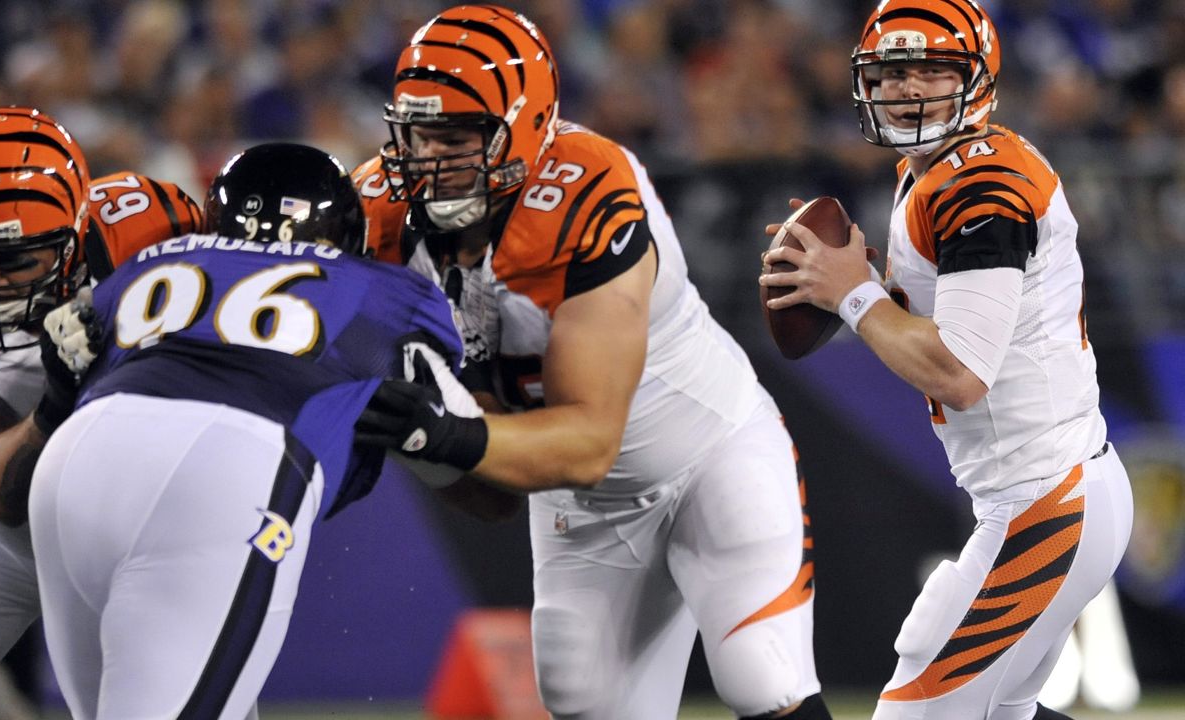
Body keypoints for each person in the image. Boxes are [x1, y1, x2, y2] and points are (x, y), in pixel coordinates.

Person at [350, 6, 831, 718]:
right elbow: (491, 497)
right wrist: (420, 439)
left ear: (525, 125)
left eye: (455, 137)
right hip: (585, 509)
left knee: (762, 678)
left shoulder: (589, 191)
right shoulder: (380, 215)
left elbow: (590, 440)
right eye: (417, 134)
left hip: (708, 452)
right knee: (584, 700)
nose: (428, 159)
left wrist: (441, 432)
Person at [758, 2, 1134, 719]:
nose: (907, 89)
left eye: (932, 70)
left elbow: (960, 374)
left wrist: (858, 295)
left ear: (979, 77)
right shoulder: (935, 172)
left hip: (1046, 503)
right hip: (1042, 494)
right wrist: (861, 289)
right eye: (892, 72)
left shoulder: (978, 184)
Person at [27, 142, 469, 718]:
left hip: (72, 465)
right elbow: (462, 442)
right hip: (228, 469)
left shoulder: (152, 261)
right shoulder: (386, 290)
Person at [0, 106, 203, 720]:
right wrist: (60, 399)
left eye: (14, 259)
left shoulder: (153, 224)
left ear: (75, 236)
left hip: (131, 515)